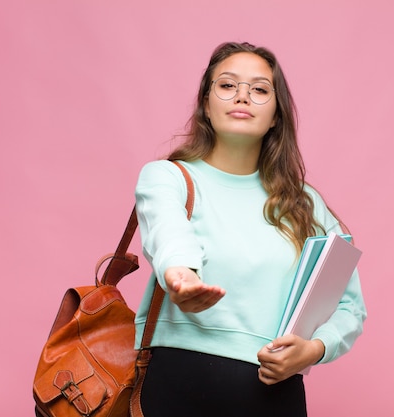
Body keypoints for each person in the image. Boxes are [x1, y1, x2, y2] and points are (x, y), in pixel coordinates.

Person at [134, 41, 366, 417]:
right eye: (227, 85)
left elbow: (350, 306)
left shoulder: (304, 203)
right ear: (206, 104)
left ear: (277, 115)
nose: (242, 96)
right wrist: (181, 276)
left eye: (259, 89)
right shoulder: (168, 177)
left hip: (274, 395)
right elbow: (168, 232)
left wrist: (314, 349)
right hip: (175, 386)